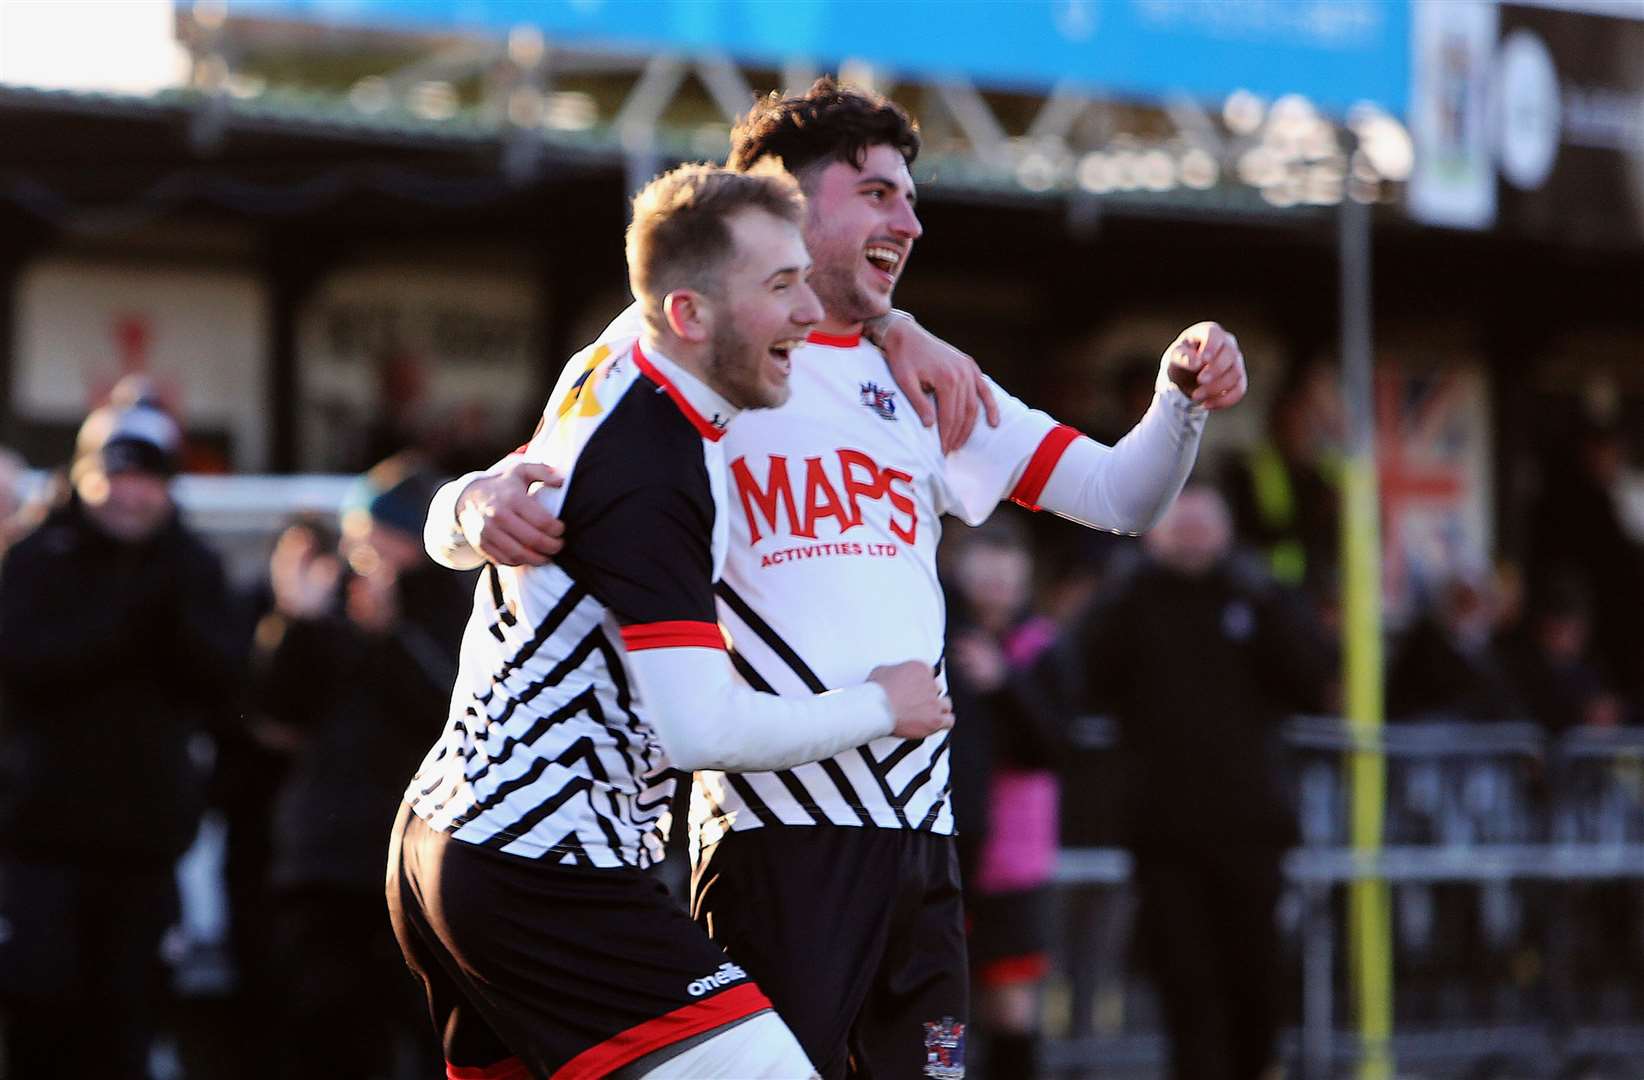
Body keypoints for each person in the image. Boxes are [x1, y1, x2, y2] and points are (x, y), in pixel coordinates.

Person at [426, 79, 1247, 1078]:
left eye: (909, 194)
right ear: (779, 202)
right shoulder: (687, 353)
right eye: (878, 191)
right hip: (775, 834)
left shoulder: (920, 378)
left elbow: (1121, 495)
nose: (911, 217)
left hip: (920, 831)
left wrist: (1179, 402)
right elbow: (524, 500)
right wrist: (466, 507)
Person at [389, 162, 953, 1080]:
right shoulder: (656, 471)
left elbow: (457, 523)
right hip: (542, 871)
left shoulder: (613, 364)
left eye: (806, 277)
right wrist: (883, 705)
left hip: (451, 841)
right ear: (692, 317)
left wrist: (463, 507)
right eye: (781, 287)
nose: (810, 315)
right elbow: (702, 731)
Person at [0, 393, 243, 1078]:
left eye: (148, 479)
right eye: (117, 476)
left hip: (146, 844)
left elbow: (227, 683)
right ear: (83, 475)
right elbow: (27, 664)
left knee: (128, 1025)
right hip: (41, 840)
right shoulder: (38, 557)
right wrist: (131, 622)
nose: (131, 496)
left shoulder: (192, 566)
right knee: (41, 1015)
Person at [1069, 485, 1334, 1080]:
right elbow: (1084, 674)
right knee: (1185, 986)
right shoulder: (1132, 602)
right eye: (1177, 522)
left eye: (1202, 522)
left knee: (1258, 978)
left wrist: (1268, 601)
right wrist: (1119, 590)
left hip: (1252, 830)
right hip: (1164, 836)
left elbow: (1313, 679)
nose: (1190, 535)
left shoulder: (1257, 597)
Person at [254, 454, 470, 1079]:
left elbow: (450, 710)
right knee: (327, 1025)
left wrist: (389, 635)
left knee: (427, 1028)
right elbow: (271, 714)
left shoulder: (452, 607)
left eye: (379, 537)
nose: (362, 552)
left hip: (419, 860)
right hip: (325, 859)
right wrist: (291, 621)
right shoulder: (328, 605)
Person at [944, 517, 1069, 1079]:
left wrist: (1005, 684)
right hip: (945, 844)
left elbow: (1054, 745)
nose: (996, 580)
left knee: (1011, 1003)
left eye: (1007, 567)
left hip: (1013, 856)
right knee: (943, 999)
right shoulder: (934, 636)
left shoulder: (1043, 648)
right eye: (984, 564)